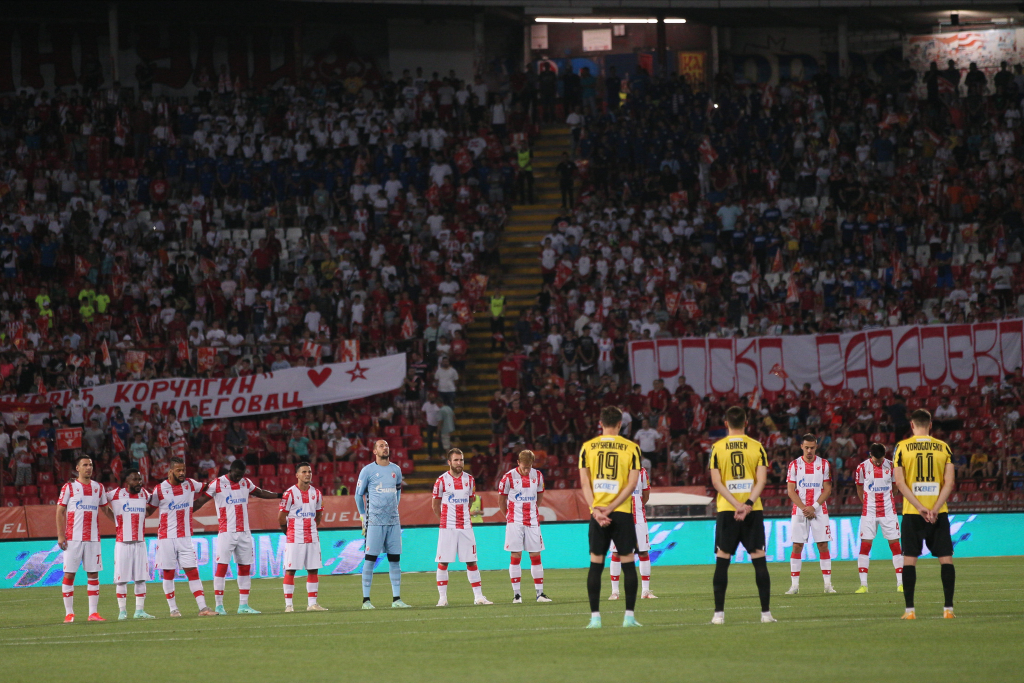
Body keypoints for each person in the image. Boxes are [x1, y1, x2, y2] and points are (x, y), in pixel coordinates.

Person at [708, 406, 775, 625]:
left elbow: (716, 482)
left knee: (722, 562)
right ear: (746, 423)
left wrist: (736, 504)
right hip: (752, 511)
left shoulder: (717, 448)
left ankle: (719, 614)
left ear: (726, 423)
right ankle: (766, 614)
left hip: (727, 511)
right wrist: (746, 504)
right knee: (759, 561)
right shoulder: (757, 447)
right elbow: (762, 481)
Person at [578, 405, 643, 629]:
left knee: (596, 565)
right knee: (627, 565)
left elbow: (585, 483)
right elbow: (632, 484)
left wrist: (597, 509)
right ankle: (629, 617)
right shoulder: (631, 448)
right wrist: (613, 507)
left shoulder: (587, 448)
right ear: (619, 424)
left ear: (601, 422)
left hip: (596, 514)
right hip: (622, 513)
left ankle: (595, 618)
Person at [893, 409, 957, 619]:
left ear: (912, 425)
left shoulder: (901, 447)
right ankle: (948, 609)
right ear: (930, 425)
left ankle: (910, 611)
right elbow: (950, 483)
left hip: (913, 512)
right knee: (946, 559)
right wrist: (936, 508)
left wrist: (919, 507)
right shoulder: (943, 447)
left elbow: (900, 483)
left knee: (909, 560)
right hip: (939, 513)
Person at [207, 460, 283, 614]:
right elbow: (203, 498)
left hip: (244, 532)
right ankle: (219, 606)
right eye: (236, 475)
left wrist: (279, 495)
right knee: (222, 567)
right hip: (226, 531)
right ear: (231, 470)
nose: (238, 478)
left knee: (245, 567)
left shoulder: (245, 482)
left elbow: (260, 492)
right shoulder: (217, 483)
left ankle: (243, 606)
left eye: (241, 475)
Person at [149, 457, 217, 617]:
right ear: (170, 471)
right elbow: (149, 510)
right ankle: (173, 609)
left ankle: (203, 608)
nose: (182, 473)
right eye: (178, 470)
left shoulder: (190, 484)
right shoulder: (159, 489)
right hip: (166, 537)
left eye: (183, 470)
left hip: (185, 537)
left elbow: (208, 487)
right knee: (169, 573)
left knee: (193, 572)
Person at [432, 448, 492, 606]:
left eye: (462, 460)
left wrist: (463, 516)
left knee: (472, 561)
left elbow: (471, 500)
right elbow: (435, 505)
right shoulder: (441, 481)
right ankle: (443, 599)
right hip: (448, 527)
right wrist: (445, 520)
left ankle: (478, 597)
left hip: (466, 526)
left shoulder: (470, 480)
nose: (459, 463)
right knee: (443, 562)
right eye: (456, 460)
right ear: (449, 462)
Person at [355, 439, 411, 609]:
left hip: (393, 521)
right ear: (374, 451)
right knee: (370, 559)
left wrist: (393, 508)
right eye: (381, 446)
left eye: (386, 445)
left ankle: (396, 600)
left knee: (395, 559)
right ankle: (366, 601)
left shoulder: (396, 470)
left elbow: (398, 492)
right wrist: (363, 515)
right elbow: (358, 495)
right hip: (374, 521)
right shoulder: (368, 471)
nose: (385, 448)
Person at [56, 454, 110, 623]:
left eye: (91, 465)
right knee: (69, 574)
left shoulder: (98, 487)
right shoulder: (69, 487)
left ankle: (93, 613)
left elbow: (105, 509)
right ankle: (69, 613)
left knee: (93, 574)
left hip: (93, 538)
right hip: (73, 538)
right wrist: (60, 535)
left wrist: (119, 521)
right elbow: (60, 511)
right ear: (77, 468)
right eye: (85, 465)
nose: (89, 468)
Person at [497, 450, 551, 604]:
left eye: (529, 467)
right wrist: (508, 515)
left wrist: (535, 510)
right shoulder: (508, 477)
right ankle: (517, 595)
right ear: (518, 462)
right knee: (516, 556)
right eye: (524, 467)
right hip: (515, 521)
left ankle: (540, 594)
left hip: (532, 521)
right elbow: (501, 499)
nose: (527, 470)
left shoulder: (538, 476)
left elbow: (540, 494)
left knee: (536, 556)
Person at [785, 434, 836, 595]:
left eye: (812, 447)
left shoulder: (824, 464)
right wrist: (804, 508)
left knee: (822, 545)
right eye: (806, 447)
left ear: (816, 447)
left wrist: (814, 506)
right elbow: (790, 491)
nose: (809, 450)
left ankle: (828, 585)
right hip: (799, 511)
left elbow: (827, 489)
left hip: (819, 509)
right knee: (797, 546)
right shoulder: (794, 465)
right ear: (801, 446)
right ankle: (794, 586)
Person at [105, 469, 155, 620]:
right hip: (123, 542)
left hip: (140, 542)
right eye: (134, 479)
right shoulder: (115, 494)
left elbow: (152, 507)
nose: (138, 482)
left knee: (141, 578)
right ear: (126, 482)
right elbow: (99, 501)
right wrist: (113, 517)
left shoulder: (145, 494)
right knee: (121, 579)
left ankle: (139, 611)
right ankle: (122, 611)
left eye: (139, 479)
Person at [854, 443, 904, 593]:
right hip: (869, 512)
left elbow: (895, 488)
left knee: (895, 546)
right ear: (870, 455)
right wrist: (867, 504)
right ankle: (863, 585)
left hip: (888, 512)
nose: (878, 462)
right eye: (876, 460)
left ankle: (900, 584)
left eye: (880, 459)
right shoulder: (862, 468)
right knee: (865, 546)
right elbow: (859, 488)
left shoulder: (892, 466)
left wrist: (887, 500)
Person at [278, 462, 328, 612]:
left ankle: (312, 604)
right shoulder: (289, 493)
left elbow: (319, 514)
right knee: (291, 570)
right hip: (294, 537)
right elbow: (281, 517)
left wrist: (312, 527)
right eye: (304, 472)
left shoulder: (317, 493)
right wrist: (287, 531)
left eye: (310, 472)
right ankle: (288, 605)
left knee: (313, 569)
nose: (308, 474)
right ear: (297, 475)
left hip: (312, 536)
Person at [608, 465, 656, 600]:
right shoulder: (613, 470)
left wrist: (637, 508)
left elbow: (646, 495)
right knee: (616, 553)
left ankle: (645, 591)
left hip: (638, 519)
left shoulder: (642, 471)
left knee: (643, 552)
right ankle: (615, 592)